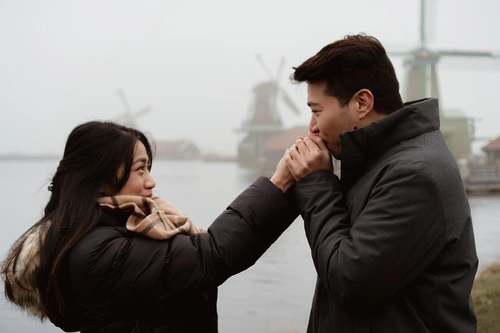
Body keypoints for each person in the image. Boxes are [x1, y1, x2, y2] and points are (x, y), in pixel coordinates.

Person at [1, 120, 298, 333]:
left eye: (149, 168)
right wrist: (281, 183)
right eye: (140, 169)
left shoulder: (117, 231)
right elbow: (209, 256)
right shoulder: (100, 252)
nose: (150, 182)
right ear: (101, 179)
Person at [282, 34, 478, 332]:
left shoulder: (416, 174)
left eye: (316, 110)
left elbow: (349, 281)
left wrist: (317, 183)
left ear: (362, 102)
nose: (312, 127)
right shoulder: (381, 161)